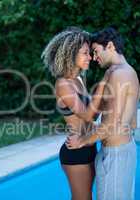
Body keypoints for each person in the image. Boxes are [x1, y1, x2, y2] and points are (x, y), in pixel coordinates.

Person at [66, 27, 140, 200]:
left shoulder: (120, 75)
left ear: (110, 46)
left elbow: (111, 125)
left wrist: (81, 142)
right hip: (115, 152)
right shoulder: (121, 72)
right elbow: (133, 123)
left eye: (96, 51)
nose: (94, 57)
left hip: (116, 155)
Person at [41, 27, 111, 200]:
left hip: (88, 146)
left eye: (90, 53)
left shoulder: (79, 80)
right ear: (71, 54)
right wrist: (103, 86)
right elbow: (87, 115)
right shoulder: (63, 84)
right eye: (85, 53)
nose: (90, 57)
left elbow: (93, 115)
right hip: (75, 151)